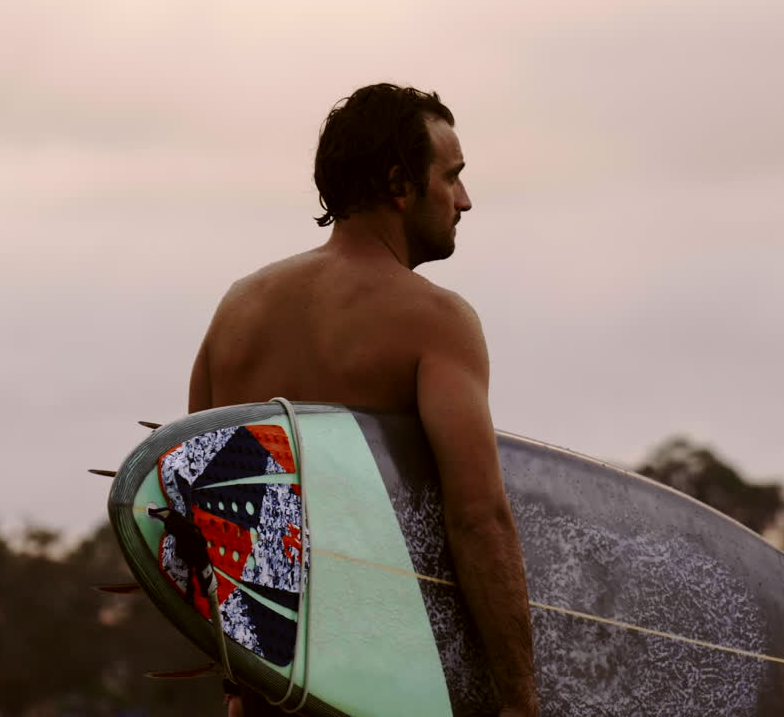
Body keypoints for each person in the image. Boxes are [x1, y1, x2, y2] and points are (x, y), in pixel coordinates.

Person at [188, 84, 539, 717]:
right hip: (391, 688)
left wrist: (236, 686)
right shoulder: (435, 320)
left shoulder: (236, 311)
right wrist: (518, 701)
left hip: (272, 699)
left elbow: (206, 519)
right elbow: (477, 518)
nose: (464, 200)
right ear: (402, 183)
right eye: (452, 177)